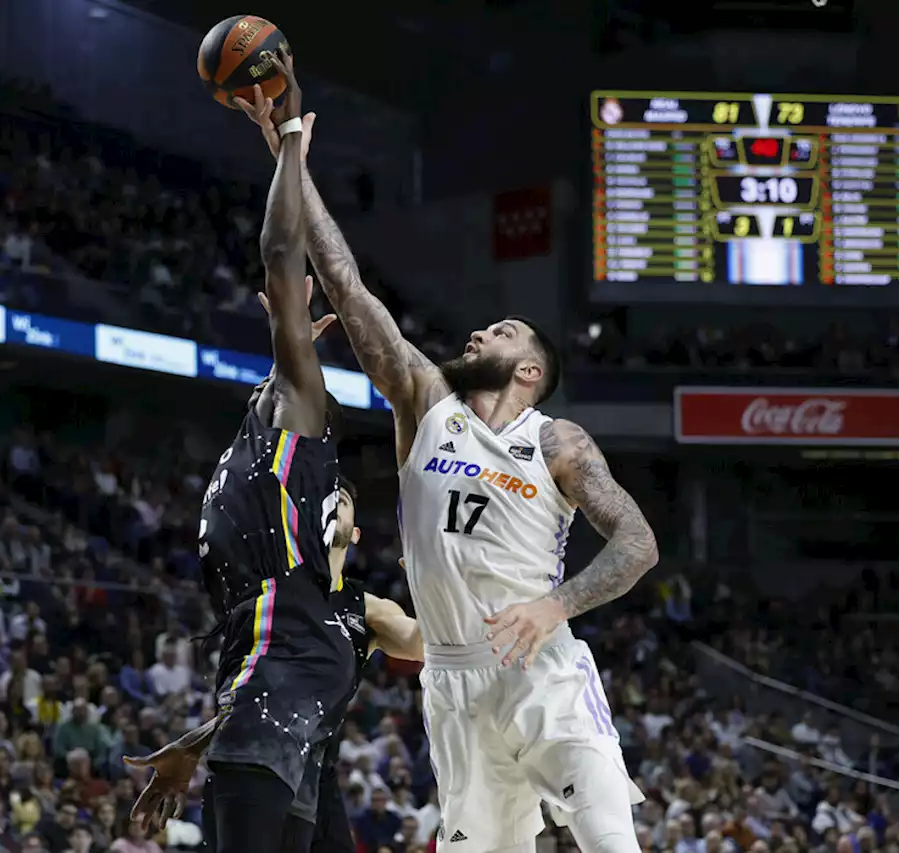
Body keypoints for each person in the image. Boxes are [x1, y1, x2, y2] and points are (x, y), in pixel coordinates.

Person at [235, 97, 660, 853]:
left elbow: (637, 543)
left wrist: (556, 605)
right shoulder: (426, 403)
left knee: (610, 844)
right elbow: (345, 280)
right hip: (454, 682)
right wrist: (290, 158)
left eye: (500, 331)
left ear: (529, 368)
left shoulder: (557, 440)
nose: (477, 332)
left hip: (542, 669)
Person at [174, 49, 356, 853]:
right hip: (281, 678)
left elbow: (284, 259)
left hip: (284, 671)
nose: (288, 306)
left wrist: (287, 140)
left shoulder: (300, 404)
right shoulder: (265, 418)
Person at [124, 479, 423, 853]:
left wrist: (431, 582)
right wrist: (192, 746)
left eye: (341, 500)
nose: (330, 504)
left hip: (316, 777)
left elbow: (427, 644)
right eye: (321, 498)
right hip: (258, 763)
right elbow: (252, 697)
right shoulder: (272, 592)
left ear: (357, 533)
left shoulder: (368, 608)